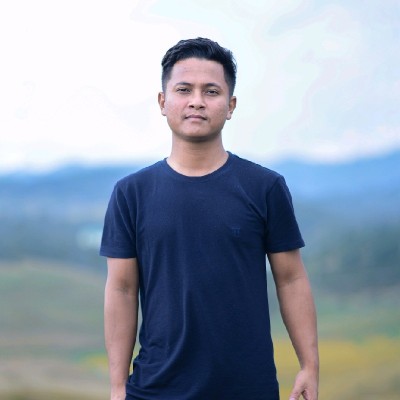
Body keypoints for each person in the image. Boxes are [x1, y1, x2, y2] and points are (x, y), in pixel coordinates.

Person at [100, 37, 319, 400]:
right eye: (184, 89)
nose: (197, 101)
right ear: (162, 102)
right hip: (155, 389)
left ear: (230, 106)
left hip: (247, 388)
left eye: (211, 91)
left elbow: (291, 278)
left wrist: (309, 366)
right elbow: (121, 289)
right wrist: (117, 386)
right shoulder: (131, 193)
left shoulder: (264, 187)